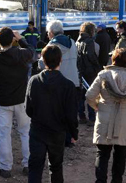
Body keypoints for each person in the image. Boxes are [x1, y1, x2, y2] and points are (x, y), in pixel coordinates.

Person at [86, 48, 126, 183]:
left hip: (105, 118)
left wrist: (96, 105)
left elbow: (90, 95)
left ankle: (100, 181)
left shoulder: (104, 75)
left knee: (102, 154)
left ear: (113, 59)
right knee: (121, 156)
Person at [0, 27, 34, 178]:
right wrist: (21, 39)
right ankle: (28, 164)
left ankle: (5, 167)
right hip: (22, 99)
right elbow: (33, 52)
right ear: (12, 39)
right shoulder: (21, 54)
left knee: (4, 134)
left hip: (3, 100)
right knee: (25, 132)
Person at [26, 45, 79, 183]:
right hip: (57, 132)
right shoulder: (68, 85)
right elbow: (71, 114)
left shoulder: (34, 81)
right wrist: (73, 133)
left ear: (43, 59)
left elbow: (28, 109)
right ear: (60, 60)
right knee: (55, 167)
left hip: (37, 130)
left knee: (35, 167)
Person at [76, 22, 101, 125]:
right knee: (91, 94)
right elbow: (90, 55)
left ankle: (81, 116)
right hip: (90, 71)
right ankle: (91, 118)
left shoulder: (78, 41)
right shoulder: (90, 41)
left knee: (80, 95)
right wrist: (97, 66)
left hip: (80, 70)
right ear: (91, 31)